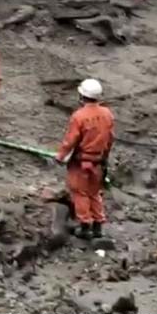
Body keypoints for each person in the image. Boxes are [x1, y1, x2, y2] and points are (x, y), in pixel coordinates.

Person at [55, 78, 114, 240]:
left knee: (80, 192)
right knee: (94, 193)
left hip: (81, 162)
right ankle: (98, 225)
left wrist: (60, 156)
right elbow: (110, 138)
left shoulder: (79, 116)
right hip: (98, 162)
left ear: (81, 95)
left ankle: (85, 226)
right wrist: (105, 157)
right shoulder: (107, 114)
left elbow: (71, 140)